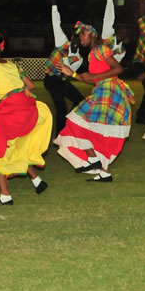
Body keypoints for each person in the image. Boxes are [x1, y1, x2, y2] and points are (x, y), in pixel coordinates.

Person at [0, 27, 53, 205]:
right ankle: (37, 181)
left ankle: (5, 196)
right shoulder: (12, 65)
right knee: (16, 146)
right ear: (2, 48)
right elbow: (30, 86)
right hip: (28, 108)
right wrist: (21, 93)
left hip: (11, 111)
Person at [53, 24, 135, 182]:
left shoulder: (100, 50)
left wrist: (74, 74)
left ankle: (93, 160)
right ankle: (103, 171)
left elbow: (118, 69)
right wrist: (75, 75)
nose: (80, 38)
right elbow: (95, 79)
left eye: (82, 35)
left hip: (109, 94)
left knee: (75, 121)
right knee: (91, 129)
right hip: (102, 91)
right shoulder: (92, 54)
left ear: (91, 34)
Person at [42, 0, 91, 134]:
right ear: (71, 37)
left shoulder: (79, 59)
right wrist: (54, 3)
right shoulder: (61, 42)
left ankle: (70, 123)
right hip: (50, 79)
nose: (76, 40)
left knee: (80, 100)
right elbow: (56, 23)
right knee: (61, 107)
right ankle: (60, 136)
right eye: (75, 36)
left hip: (62, 80)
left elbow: (67, 71)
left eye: (79, 37)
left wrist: (64, 58)